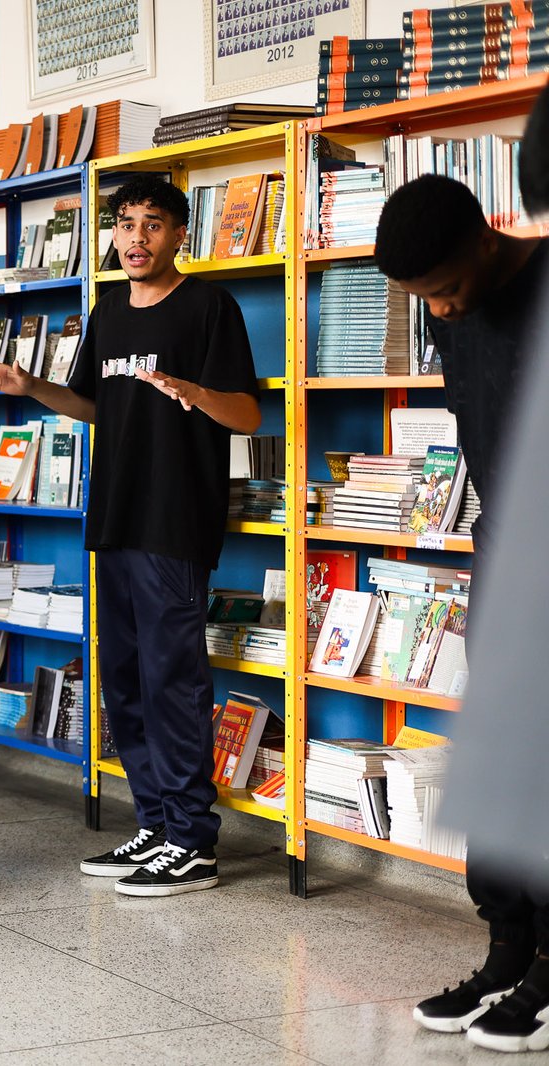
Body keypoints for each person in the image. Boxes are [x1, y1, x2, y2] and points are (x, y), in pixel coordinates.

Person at [0, 175, 261, 898]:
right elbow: (95, 406)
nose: (135, 239)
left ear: (179, 233)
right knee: (124, 681)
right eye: (125, 224)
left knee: (172, 681)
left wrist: (194, 393)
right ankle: (156, 824)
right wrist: (28, 385)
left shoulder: (208, 307)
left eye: (151, 225)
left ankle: (193, 840)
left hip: (174, 520)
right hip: (116, 515)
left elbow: (247, 415)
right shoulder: (109, 311)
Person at [376, 174, 549, 1049]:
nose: (438, 315)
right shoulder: (458, 313)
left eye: (442, 293)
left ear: (487, 242)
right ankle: (508, 951)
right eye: (419, 302)